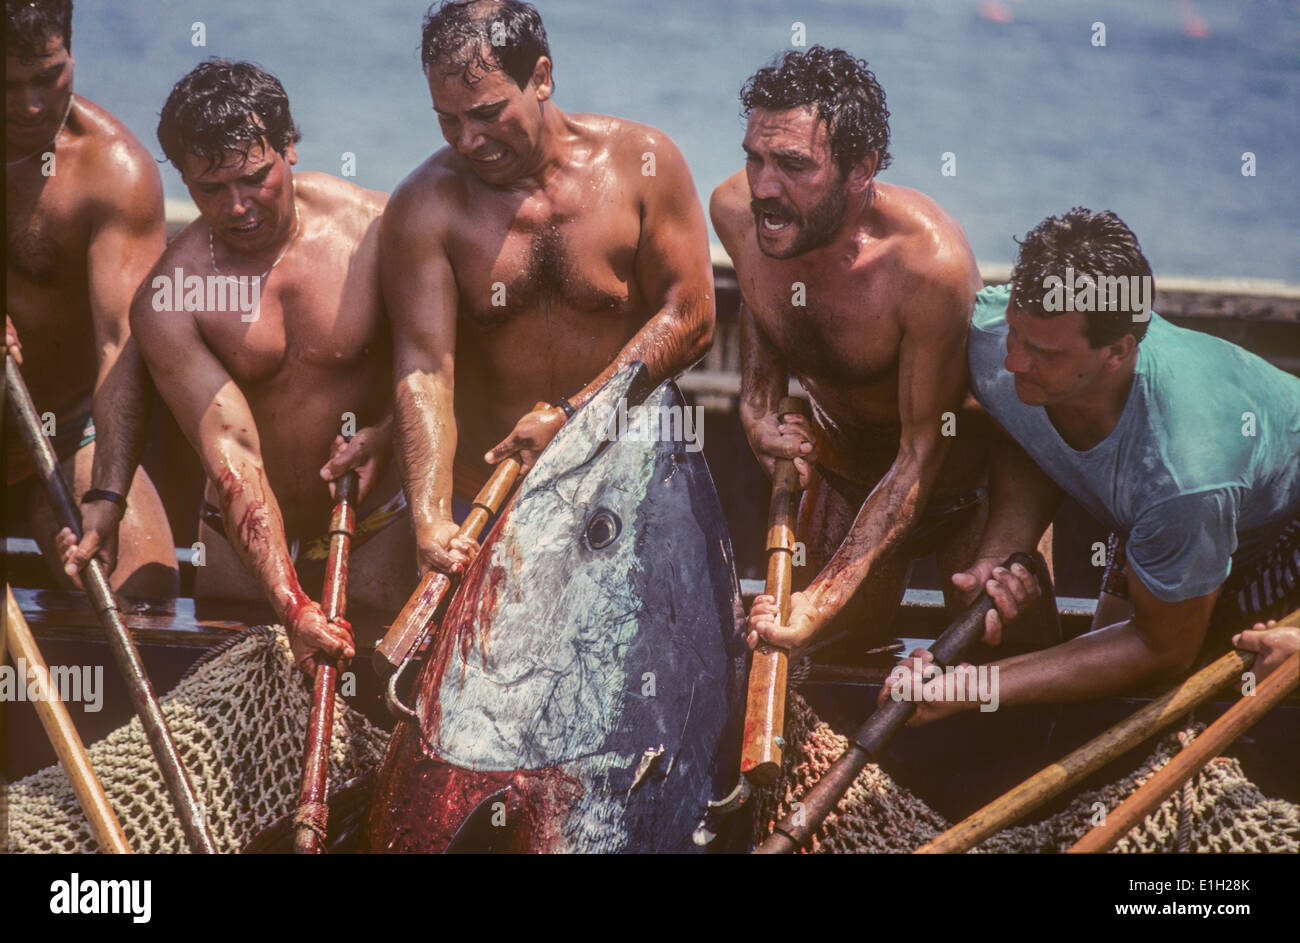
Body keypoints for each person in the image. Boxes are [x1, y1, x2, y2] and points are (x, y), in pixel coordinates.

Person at [887, 207, 1300, 722]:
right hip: (1173, 513)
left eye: (1043, 352)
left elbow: (1161, 651)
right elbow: (1026, 433)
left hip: (1279, 530)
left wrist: (977, 686)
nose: (1013, 361)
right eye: (1015, 332)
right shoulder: (994, 334)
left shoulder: (1182, 472)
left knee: (1246, 669)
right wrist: (1003, 547)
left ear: (1118, 351)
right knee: (1098, 698)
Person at [385, 0, 715, 577]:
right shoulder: (425, 206)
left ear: (540, 77)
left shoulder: (643, 165)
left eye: (486, 113)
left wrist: (573, 417)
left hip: (619, 492)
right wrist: (432, 519)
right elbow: (425, 369)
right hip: (483, 503)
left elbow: (691, 317)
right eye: (448, 119)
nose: (467, 140)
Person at [714, 46, 1003, 656]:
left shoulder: (924, 265)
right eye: (754, 158)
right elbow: (763, 301)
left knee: (1001, 665)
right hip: (846, 473)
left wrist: (819, 597)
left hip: (963, 482)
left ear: (861, 167)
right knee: (821, 657)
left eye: (793, 164)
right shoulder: (737, 213)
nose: (763, 187)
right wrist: (756, 405)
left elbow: (920, 457)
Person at [133, 60, 413, 674]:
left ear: (290, 147)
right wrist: (290, 603)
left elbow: (437, 371)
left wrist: (388, 434)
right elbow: (232, 453)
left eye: (256, 178)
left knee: (377, 724)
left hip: (372, 535)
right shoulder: (174, 295)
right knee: (243, 745)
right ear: (184, 178)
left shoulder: (379, 234)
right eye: (210, 189)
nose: (237, 207)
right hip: (239, 554)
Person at [5, 0, 177, 596]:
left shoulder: (112, 170)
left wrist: (105, 494)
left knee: (144, 594)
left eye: (47, 77)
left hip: (66, 428)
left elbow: (120, 347)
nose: (28, 104)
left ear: (72, 56)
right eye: (7, 83)